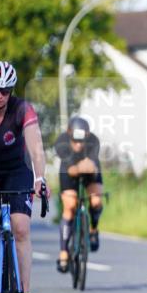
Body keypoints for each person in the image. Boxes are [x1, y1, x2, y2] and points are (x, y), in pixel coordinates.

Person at [0, 61, 49, 293]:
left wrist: (40, 178)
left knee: (20, 228)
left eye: (5, 90)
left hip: (17, 172)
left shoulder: (22, 109)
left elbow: (36, 147)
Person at [53, 116, 105, 273]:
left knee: (96, 200)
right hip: (68, 171)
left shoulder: (94, 141)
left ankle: (93, 229)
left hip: (90, 172)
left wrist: (89, 166)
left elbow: (93, 165)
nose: (78, 144)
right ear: (69, 135)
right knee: (69, 206)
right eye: (75, 140)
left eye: (81, 141)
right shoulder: (61, 142)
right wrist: (81, 166)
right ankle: (63, 253)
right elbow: (71, 169)